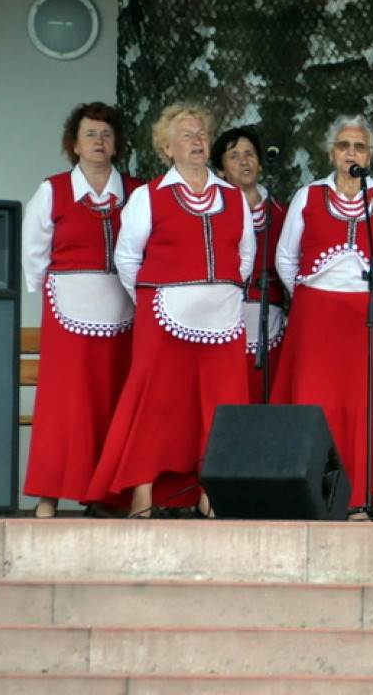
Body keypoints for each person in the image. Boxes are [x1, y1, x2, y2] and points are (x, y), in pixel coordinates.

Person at [87, 103, 254, 517]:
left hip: (223, 318)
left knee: (223, 404)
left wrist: (223, 292)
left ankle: (212, 495)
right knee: (155, 404)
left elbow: (245, 256)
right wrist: (152, 298)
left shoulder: (232, 197)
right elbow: (127, 258)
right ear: (167, 147)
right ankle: (142, 495)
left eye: (201, 134)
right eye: (186, 135)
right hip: (163, 317)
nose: (196, 141)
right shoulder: (149, 196)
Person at [272, 115, 373, 517]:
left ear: (371, 155)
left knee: (360, 405)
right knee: (317, 401)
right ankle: (307, 491)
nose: (351, 153)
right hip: (317, 318)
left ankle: (361, 495)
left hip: (366, 313)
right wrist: (311, 297)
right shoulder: (308, 195)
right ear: (331, 152)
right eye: (344, 146)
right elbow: (284, 256)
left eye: (359, 147)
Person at [21, 102, 142, 518]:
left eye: (106, 134)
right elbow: (34, 256)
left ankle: (106, 495)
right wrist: (49, 297)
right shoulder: (52, 190)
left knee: (114, 399)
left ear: (117, 144)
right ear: (74, 143)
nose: (98, 141)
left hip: (124, 308)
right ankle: (49, 495)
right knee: (64, 404)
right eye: (90, 134)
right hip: (68, 307)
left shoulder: (137, 192)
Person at [210, 126, 287, 404]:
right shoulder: (211, 213)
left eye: (249, 154)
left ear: (260, 163)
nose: (244, 162)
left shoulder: (282, 214)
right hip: (222, 320)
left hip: (270, 324)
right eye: (234, 156)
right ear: (220, 170)